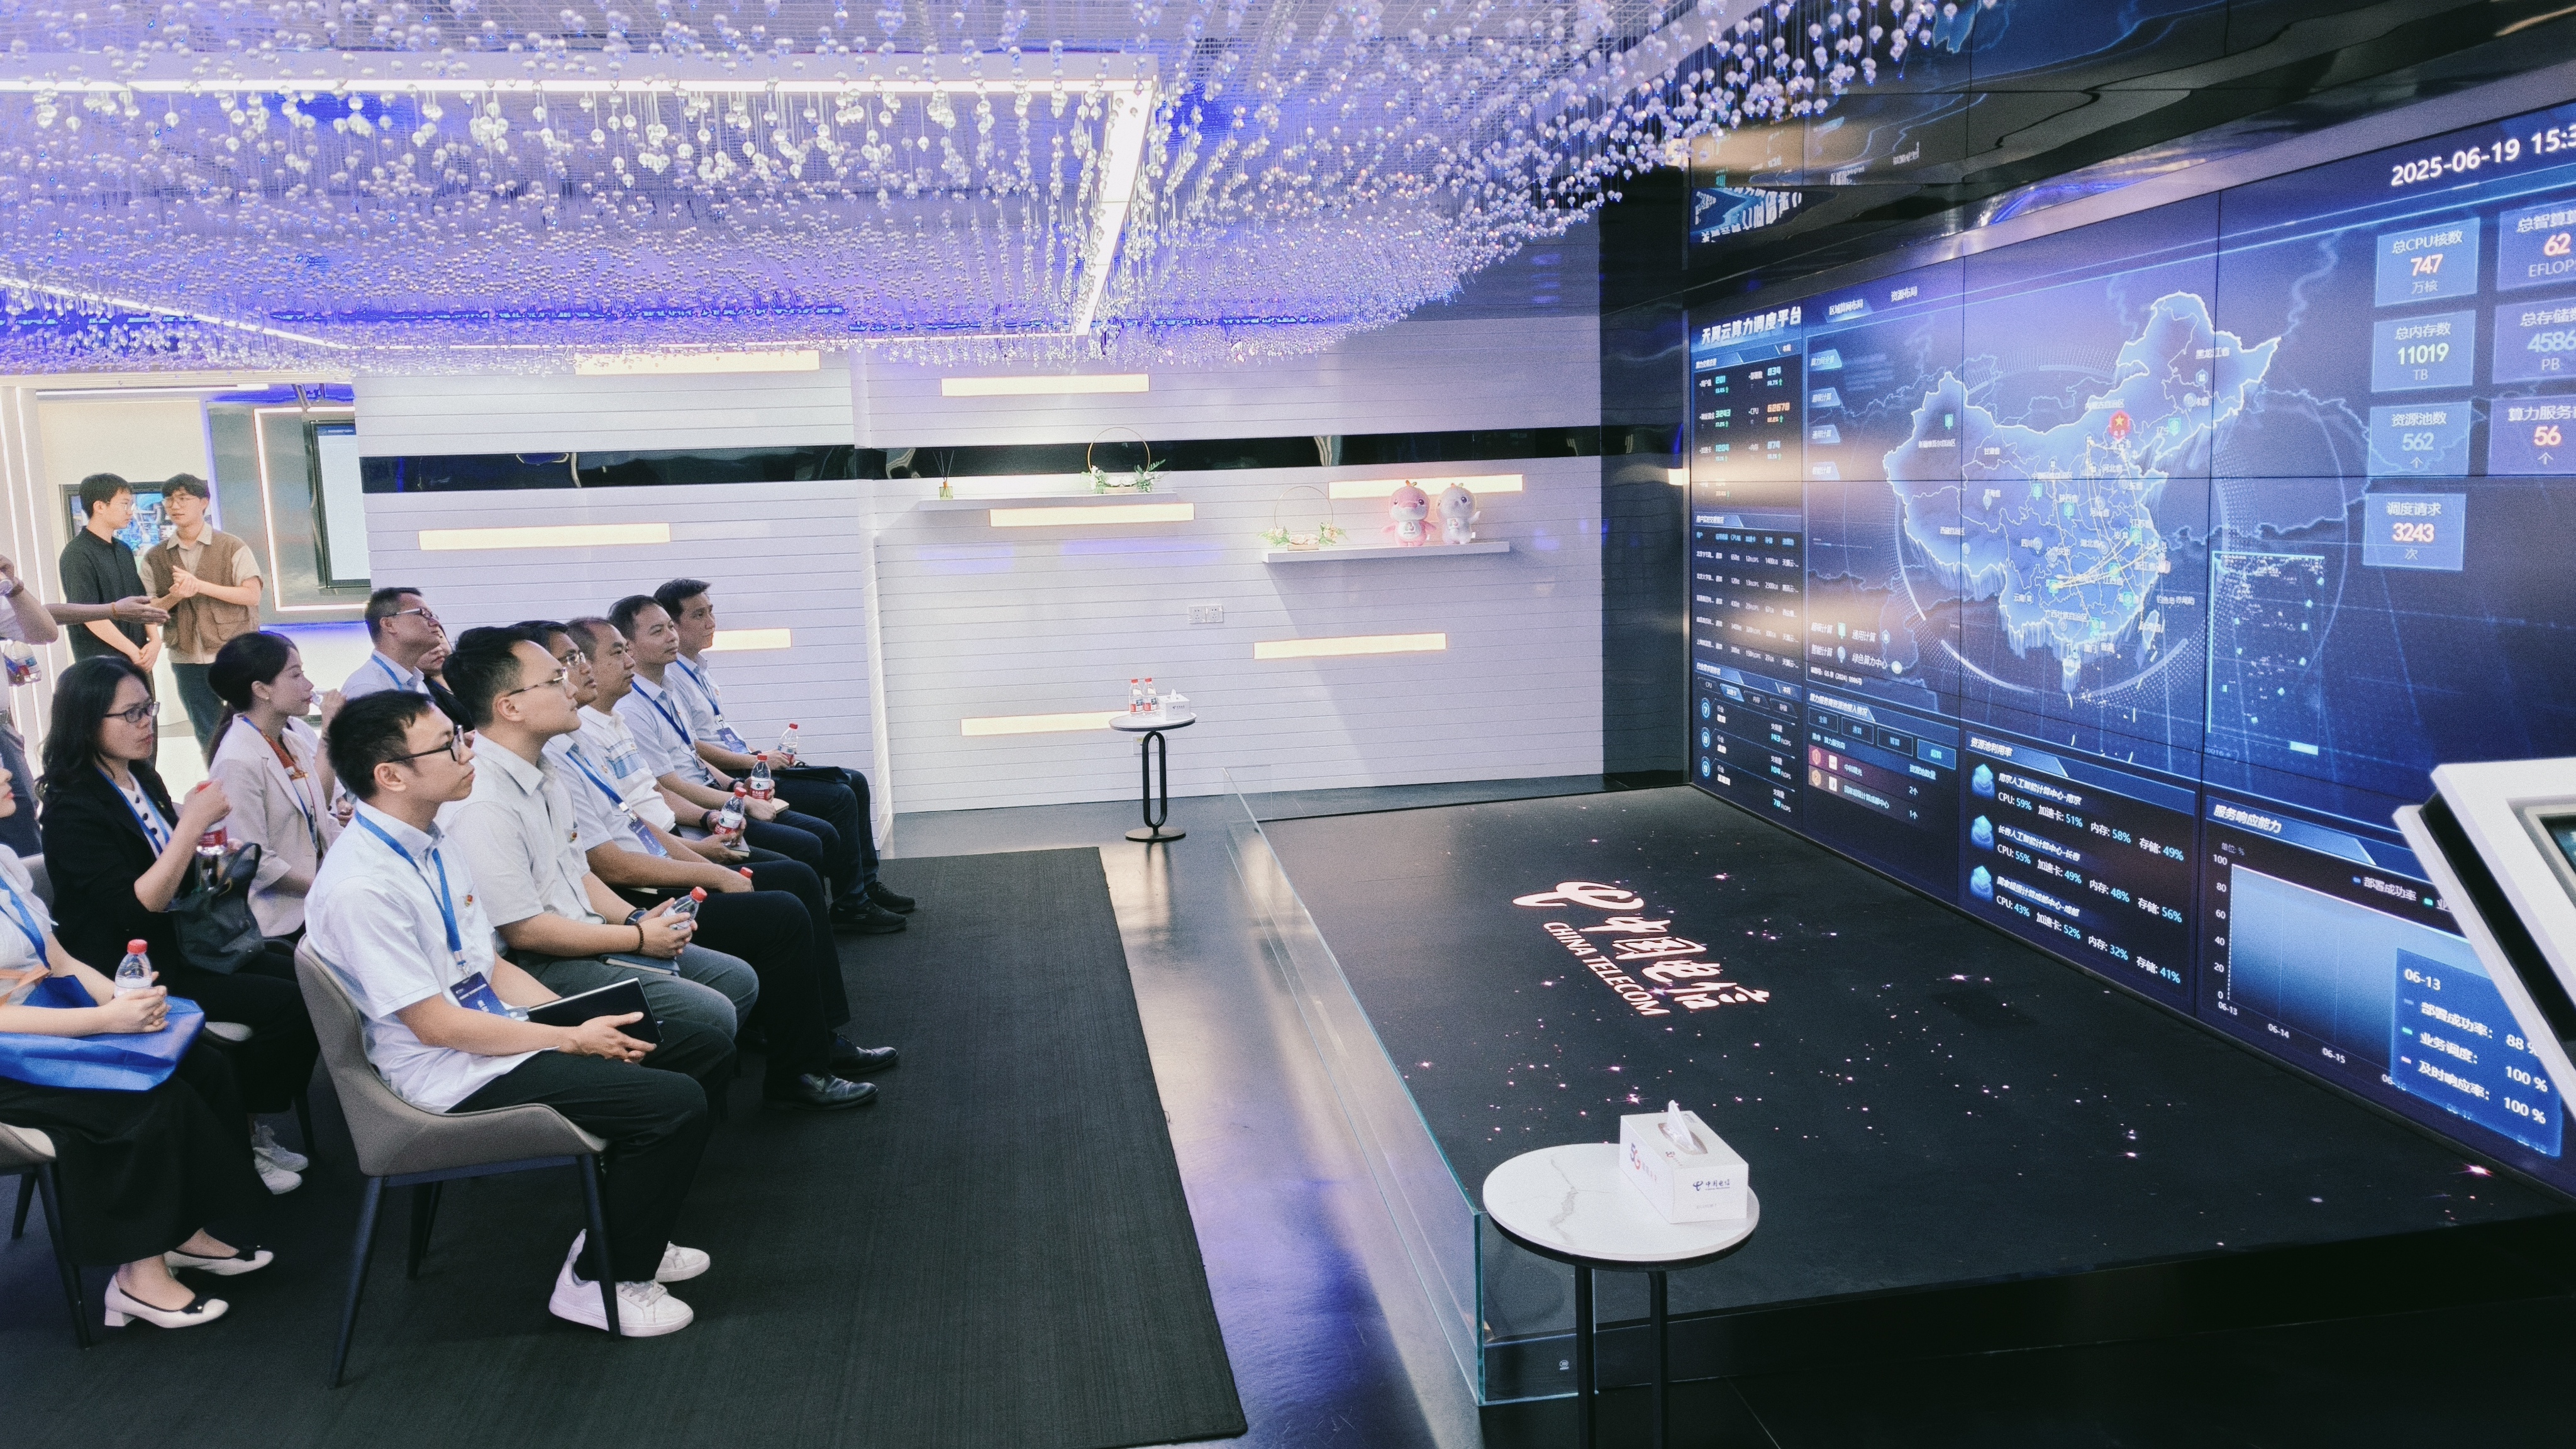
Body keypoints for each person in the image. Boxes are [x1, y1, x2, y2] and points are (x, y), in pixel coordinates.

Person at [306, 690, 723, 1335]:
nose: (468, 751)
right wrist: (568, 1039)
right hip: (450, 1071)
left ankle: (625, 1224)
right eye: (448, 745)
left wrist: (576, 1017)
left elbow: (487, 967)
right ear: (391, 775)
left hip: (495, 1031)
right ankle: (600, 1281)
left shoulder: (430, 839)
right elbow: (436, 1026)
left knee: (699, 1044)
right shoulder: (363, 887)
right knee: (671, 1104)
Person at [530, 620, 890, 1109]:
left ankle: (814, 1037)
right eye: (565, 666)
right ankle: (801, 1068)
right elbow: (612, 865)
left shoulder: (590, 736)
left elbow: (641, 815)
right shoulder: (560, 755)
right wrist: (704, 871)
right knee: (783, 907)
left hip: (659, 860)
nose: (585, 671)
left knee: (798, 874)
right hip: (635, 892)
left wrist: (710, 841)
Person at [0, 775, 275, 1333]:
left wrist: (124, 998)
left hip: (46, 1030)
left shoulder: (4, 860)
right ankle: (136, 1277)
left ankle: (183, 1232)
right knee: (147, 1102)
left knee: (201, 1063)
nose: (8, 773)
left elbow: (58, 960)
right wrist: (104, 1021)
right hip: (13, 1062)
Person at [36, 657, 319, 1192]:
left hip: (183, 941)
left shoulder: (139, 775)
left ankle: (250, 1124)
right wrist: (191, 826)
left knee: (306, 975)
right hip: (128, 967)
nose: (147, 723)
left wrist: (212, 853)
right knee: (289, 1003)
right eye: (131, 713)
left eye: (149, 708)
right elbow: (134, 909)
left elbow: (173, 871)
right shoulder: (71, 807)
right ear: (87, 721)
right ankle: (243, 1137)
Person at [437, 634, 755, 1092]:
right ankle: (652, 1096)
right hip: (539, 960)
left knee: (736, 980)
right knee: (712, 1013)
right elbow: (524, 931)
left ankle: (677, 1090)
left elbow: (579, 873)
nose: (571, 688)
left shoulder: (544, 771)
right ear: (510, 707)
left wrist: (637, 919)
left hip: (587, 932)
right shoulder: (484, 803)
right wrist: (638, 938)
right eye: (555, 680)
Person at [609, 595, 901, 935]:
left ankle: (857, 893)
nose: (672, 636)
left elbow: (691, 753)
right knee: (821, 828)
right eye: (659, 630)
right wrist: (739, 793)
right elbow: (668, 786)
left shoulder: (668, 686)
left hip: (719, 790)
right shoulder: (631, 709)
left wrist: (740, 782)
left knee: (849, 785)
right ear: (628, 646)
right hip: (698, 810)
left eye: (670, 627)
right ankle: (845, 906)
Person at [203, 631, 343, 943]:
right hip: (279, 922)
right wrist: (325, 886)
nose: (309, 685)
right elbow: (253, 860)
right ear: (262, 690)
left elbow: (319, 817)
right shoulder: (237, 760)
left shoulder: (290, 739)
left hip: (316, 903)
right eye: (296, 675)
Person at [142, 475, 265, 757]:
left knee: (251, 723)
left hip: (233, 652)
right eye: (169, 499)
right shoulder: (155, 557)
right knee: (207, 731)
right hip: (186, 658)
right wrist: (176, 595)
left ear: (204, 503)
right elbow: (149, 609)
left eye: (183, 498)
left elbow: (252, 595)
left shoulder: (232, 546)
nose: (175, 506)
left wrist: (199, 586)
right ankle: (220, 780)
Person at [57, 473, 160, 669]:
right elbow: (88, 615)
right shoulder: (77, 554)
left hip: (137, 658)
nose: (130, 512)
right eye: (124, 504)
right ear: (100, 507)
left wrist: (155, 641)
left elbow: (141, 599)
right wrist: (132, 651)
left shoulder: (123, 549)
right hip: (102, 664)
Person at [340, 587, 441, 701]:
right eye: (423, 613)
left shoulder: (417, 683)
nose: (435, 622)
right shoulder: (368, 688)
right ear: (389, 625)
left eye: (432, 615)